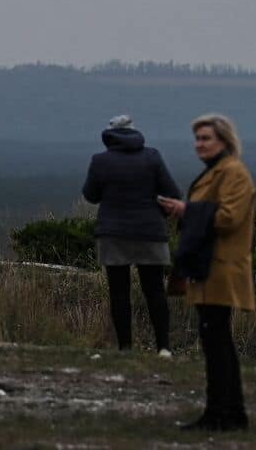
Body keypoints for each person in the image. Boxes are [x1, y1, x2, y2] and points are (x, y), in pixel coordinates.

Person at [158, 114, 255, 432]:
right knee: (216, 341)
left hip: (221, 268)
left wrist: (188, 210)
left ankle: (220, 414)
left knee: (217, 341)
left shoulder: (233, 173)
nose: (199, 144)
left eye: (206, 138)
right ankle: (230, 412)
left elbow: (229, 218)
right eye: (197, 138)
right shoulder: (216, 172)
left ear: (224, 141)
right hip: (207, 267)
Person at [81, 114, 179, 355]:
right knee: (154, 289)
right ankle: (163, 348)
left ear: (109, 135)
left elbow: (91, 195)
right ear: (135, 133)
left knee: (119, 291)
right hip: (150, 231)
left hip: (113, 233)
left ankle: (125, 347)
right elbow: (172, 192)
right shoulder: (152, 157)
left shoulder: (100, 160)